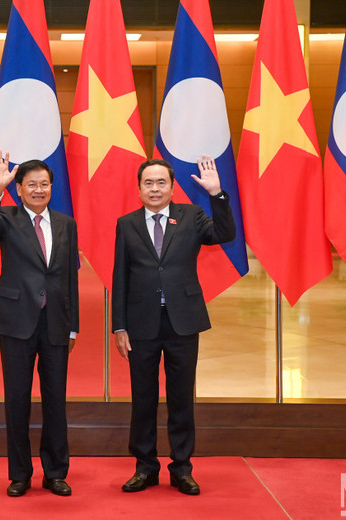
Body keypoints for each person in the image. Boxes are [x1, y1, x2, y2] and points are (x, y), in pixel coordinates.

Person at [112, 156, 236, 496]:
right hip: (140, 325)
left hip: (183, 322)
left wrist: (217, 195)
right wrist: (119, 326)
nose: (155, 188)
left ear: (171, 186)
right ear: (139, 189)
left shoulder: (192, 217)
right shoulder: (127, 224)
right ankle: (145, 467)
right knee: (143, 399)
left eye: (161, 182)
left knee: (181, 399)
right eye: (148, 183)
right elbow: (119, 277)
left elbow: (225, 233)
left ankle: (182, 468)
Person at [0, 150, 79, 497]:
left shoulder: (66, 224)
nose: (39, 190)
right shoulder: (5, 218)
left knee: (56, 400)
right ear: (19, 189)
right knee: (17, 399)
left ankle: (56, 472)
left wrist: (73, 326)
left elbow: (70, 280)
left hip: (55, 324)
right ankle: (19, 473)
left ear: (52, 187)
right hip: (16, 322)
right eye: (32, 184)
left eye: (45, 184)